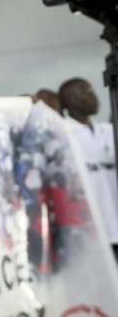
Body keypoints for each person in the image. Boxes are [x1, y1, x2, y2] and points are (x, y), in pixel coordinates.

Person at [59, 78, 118, 259]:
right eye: (87, 92)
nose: (94, 97)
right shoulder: (63, 132)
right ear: (70, 100)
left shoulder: (108, 130)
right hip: (92, 232)